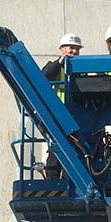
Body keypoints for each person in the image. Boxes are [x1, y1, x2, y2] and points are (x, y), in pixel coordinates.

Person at [41, 33, 82, 178]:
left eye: (77, 49)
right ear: (62, 49)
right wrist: (60, 63)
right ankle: (52, 180)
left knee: (76, 152)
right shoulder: (54, 66)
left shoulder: (82, 68)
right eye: (71, 48)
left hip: (76, 117)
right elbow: (44, 76)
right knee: (56, 151)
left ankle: (68, 181)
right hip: (58, 117)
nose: (74, 52)